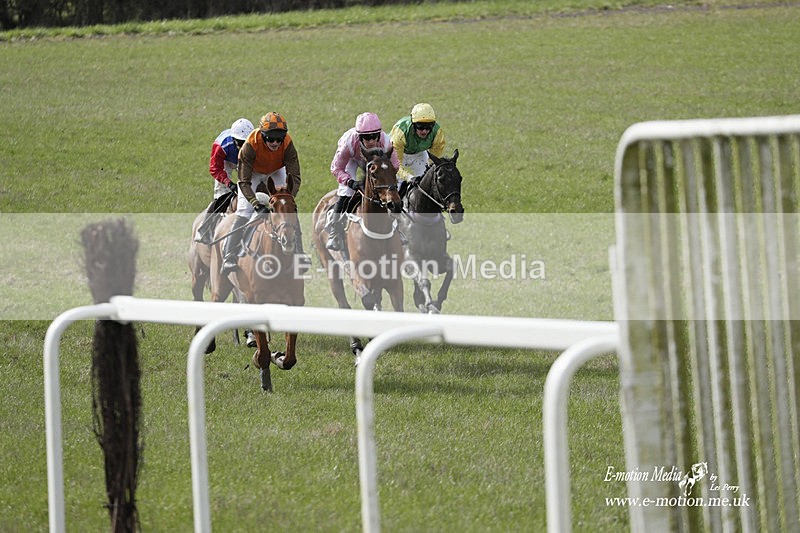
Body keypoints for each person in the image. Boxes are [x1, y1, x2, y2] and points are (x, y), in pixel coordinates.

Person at [220, 112, 310, 276]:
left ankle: (300, 253)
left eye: (279, 139)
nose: (275, 142)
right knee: (244, 211)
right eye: (270, 139)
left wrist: (287, 198)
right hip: (252, 174)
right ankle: (229, 255)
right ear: (262, 135)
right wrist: (255, 204)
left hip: (276, 170)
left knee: (288, 209)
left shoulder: (288, 143)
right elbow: (244, 182)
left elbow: (295, 177)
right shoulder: (250, 145)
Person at [325, 112, 400, 251]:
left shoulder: (386, 142)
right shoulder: (348, 143)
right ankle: (335, 231)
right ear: (359, 137)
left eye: (374, 136)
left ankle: (399, 228)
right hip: (353, 160)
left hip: (377, 162)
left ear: (379, 135)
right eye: (366, 137)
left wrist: (386, 182)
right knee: (346, 191)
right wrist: (350, 182)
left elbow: (395, 166)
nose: (371, 141)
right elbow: (336, 168)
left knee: (394, 189)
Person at [194, 118, 254, 245]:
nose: (243, 146)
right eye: (240, 142)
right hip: (226, 161)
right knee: (222, 195)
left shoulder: (255, 143)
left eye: (245, 142)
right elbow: (215, 168)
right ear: (233, 139)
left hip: (245, 162)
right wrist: (228, 183)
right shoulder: (221, 145)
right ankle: (205, 227)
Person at [390, 103, 446, 197]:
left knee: (427, 182)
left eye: (428, 127)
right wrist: (409, 177)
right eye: (420, 126)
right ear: (413, 124)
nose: (424, 131)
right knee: (396, 185)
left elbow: (433, 162)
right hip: (397, 154)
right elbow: (396, 165)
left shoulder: (438, 134)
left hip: (418, 154)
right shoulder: (400, 133)